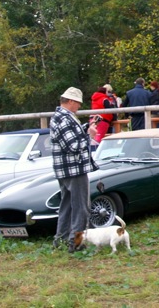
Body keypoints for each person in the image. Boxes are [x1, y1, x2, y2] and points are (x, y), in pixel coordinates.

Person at [50, 87, 98, 253]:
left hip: (64, 170)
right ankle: (76, 243)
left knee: (67, 206)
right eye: (78, 102)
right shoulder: (65, 119)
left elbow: (70, 135)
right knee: (81, 207)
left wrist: (85, 127)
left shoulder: (61, 117)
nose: (79, 106)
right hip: (74, 169)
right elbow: (73, 146)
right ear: (70, 101)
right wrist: (90, 136)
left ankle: (61, 239)